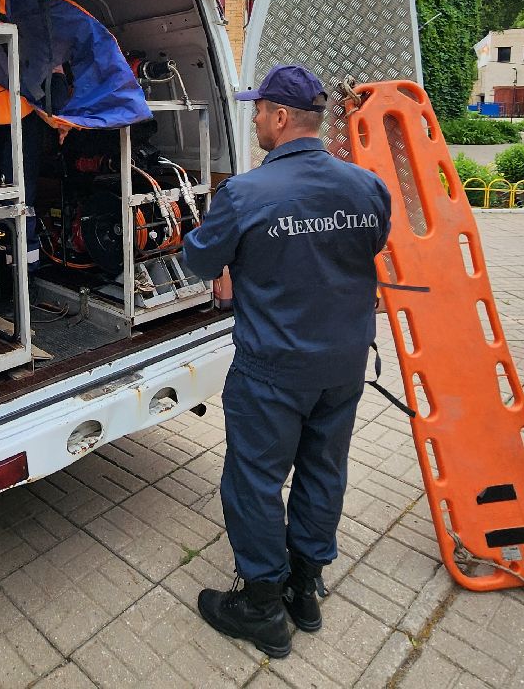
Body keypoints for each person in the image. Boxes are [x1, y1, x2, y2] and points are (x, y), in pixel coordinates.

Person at [182, 63, 391, 658]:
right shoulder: (366, 187)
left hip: (274, 368)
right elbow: (365, 248)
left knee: (254, 479)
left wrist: (238, 269)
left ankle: (262, 604)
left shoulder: (245, 193)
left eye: (257, 111)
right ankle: (306, 586)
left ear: (278, 116)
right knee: (324, 470)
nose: (254, 121)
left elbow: (199, 262)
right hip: (344, 363)